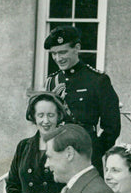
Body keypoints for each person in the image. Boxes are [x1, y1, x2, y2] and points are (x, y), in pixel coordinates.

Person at [44, 25, 121, 175]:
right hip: (57, 156)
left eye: (63, 52)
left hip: (86, 157)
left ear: (76, 48)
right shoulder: (52, 81)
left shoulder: (97, 80)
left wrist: (93, 151)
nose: (58, 58)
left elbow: (112, 126)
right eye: (54, 54)